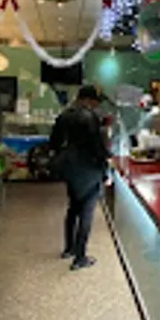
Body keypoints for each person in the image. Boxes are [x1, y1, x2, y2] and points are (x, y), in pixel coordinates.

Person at [50, 84, 110, 270]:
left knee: (73, 207)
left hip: (70, 168)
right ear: (88, 100)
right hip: (89, 168)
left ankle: (69, 248)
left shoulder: (64, 115)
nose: (96, 105)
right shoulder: (90, 117)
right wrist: (105, 167)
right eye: (95, 102)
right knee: (87, 211)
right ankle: (80, 257)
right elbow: (97, 146)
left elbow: (54, 143)